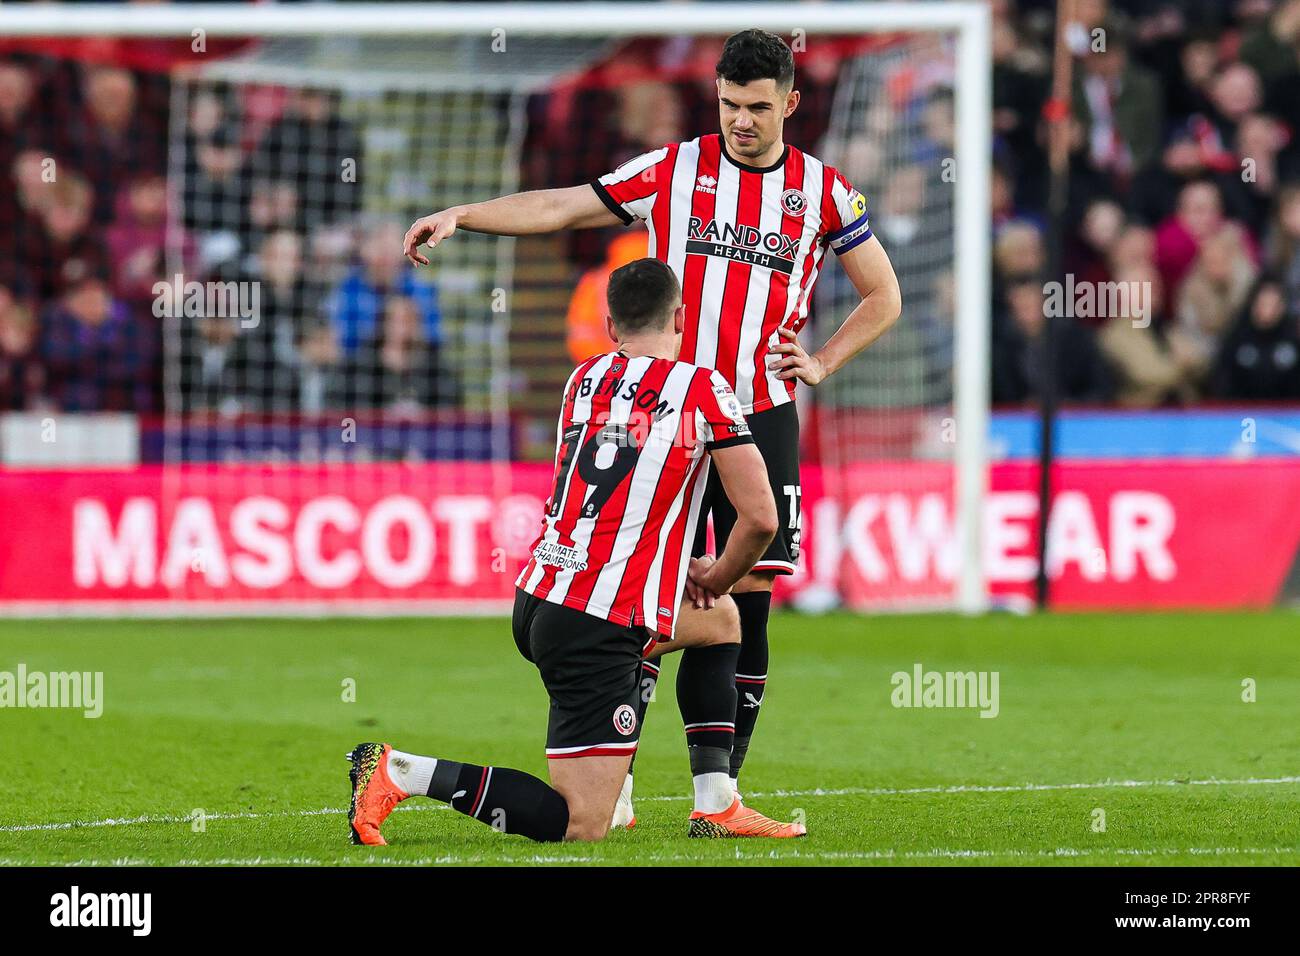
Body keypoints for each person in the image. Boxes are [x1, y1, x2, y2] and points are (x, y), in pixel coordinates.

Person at [403, 29, 901, 819]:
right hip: (665, 417)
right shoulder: (675, 169)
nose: (741, 120)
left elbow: (884, 294)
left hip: (757, 415)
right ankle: (618, 775)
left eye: (758, 108)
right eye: (731, 104)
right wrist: (466, 215)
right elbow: (566, 205)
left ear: (791, 104)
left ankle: (718, 793)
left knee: (748, 600)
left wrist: (825, 361)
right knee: (632, 595)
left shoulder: (825, 193)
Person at [347, 258, 802, 844]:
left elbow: (621, 481)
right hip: (594, 619)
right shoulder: (700, 387)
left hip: (541, 592)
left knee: (719, 624)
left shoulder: (582, 380)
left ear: (610, 326)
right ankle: (403, 771)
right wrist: (715, 574)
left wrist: (683, 573)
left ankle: (715, 802)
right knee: (579, 824)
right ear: (683, 318)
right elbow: (760, 518)